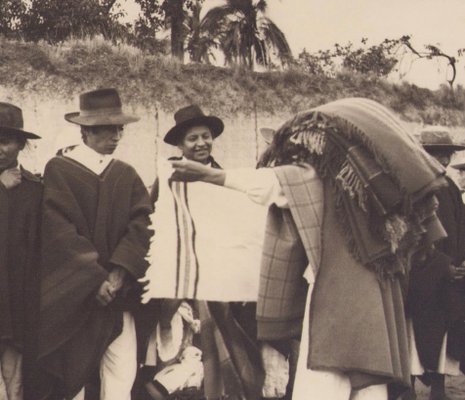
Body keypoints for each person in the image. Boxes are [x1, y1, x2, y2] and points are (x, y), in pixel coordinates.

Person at [169, 97, 448, 400]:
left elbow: (273, 184)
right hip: (369, 302)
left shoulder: (321, 178)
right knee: (369, 389)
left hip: (333, 300)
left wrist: (212, 175)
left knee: (322, 382)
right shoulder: (370, 192)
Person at [142, 104, 266, 400]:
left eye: (205, 136)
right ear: (180, 145)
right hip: (181, 280)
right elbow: (156, 223)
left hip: (221, 281)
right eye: (192, 138)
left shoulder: (222, 176)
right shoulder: (170, 177)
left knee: (229, 358)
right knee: (181, 363)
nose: (201, 144)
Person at [36, 88, 153, 400]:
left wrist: (118, 273)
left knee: (121, 375)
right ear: (85, 130)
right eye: (105, 128)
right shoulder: (60, 170)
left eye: (119, 129)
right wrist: (93, 277)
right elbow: (57, 230)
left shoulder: (126, 174)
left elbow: (142, 225)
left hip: (119, 293)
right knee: (71, 376)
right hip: (75, 297)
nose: (114, 136)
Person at [404, 127, 465, 400]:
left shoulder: (449, 186)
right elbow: (412, 232)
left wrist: (460, 263)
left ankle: (438, 387)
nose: (442, 160)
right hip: (421, 271)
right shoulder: (413, 184)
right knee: (414, 329)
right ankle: (409, 387)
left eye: (446, 154)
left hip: (450, 271)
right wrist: (441, 265)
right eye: (436, 153)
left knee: (445, 327)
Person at [0, 103, 42, 400]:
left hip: (16, 303)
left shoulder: (36, 190)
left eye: (6, 140)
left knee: (15, 384)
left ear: (20, 144)